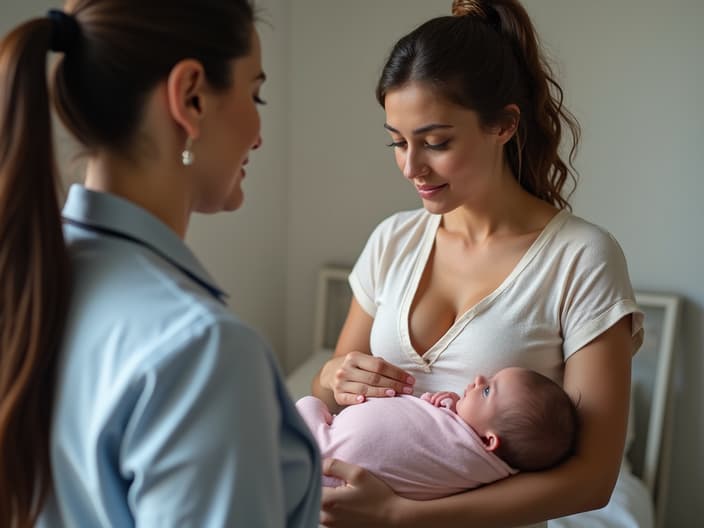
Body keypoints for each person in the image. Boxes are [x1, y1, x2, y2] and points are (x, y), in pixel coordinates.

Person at [312, 0, 643, 526]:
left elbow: (592, 478)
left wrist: (402, 516)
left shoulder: (581, 259)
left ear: (504, 125)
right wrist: (334, 374)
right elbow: (329, 388)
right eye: (398, 142)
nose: (411, 167)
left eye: (436, 142)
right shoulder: (392, 240)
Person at [0, 1, 320, 527]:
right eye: (253, 92)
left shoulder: (28, 274)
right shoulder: (201, 351)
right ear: (191, 96)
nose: (259, 132)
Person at [298, 367, 578, 500]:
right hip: (334, 468)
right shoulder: (476, 454)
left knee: (308, 406)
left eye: (488, 390)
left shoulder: (473, 463)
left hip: (331, 457)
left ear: (488, 441)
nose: (480, 378)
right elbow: (430, 428)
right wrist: (444, 403)